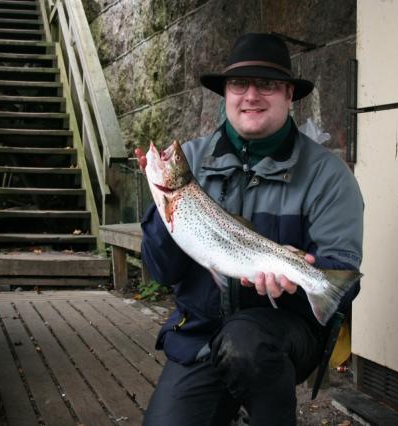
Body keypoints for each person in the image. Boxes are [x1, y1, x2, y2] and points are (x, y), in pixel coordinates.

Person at [137, 33, 363, 426]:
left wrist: (300, 282)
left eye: (268, 85)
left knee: (247, 343)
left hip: (282, 335)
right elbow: (163, 271)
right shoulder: (189, 160)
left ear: (289, 94)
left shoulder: (328, 175)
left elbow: (341, 274)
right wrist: (162, 207)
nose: (251, 95)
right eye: (239, 84)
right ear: (225, 93)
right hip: (202, 334)